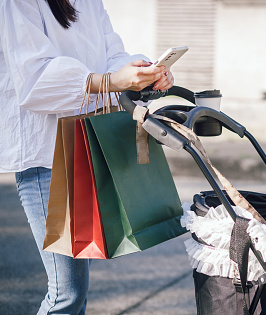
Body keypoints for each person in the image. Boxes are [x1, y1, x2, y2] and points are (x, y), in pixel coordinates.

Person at [0, 0, 174, 313]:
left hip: (86, 145)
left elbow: (111, 55)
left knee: (75, 292)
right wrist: (112, 81)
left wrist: (144, 72)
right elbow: (35, 77)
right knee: (66, 293)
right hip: (46, 156)